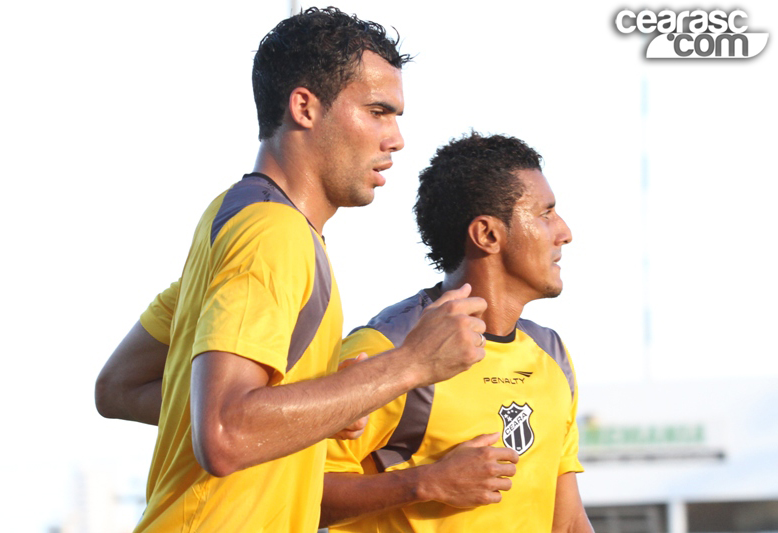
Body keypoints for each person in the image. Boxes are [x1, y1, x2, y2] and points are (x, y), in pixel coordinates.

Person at [95, 8, 489, 532]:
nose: (395, 139)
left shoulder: (230, 217)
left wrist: (323, 403)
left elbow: (120, 385)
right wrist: (408, 365)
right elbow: (224, 433)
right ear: (304, 106)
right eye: (377, 111)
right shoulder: (271, 236)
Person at [321, 133, 594, 532]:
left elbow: (567, 521)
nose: (564, 232)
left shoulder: (552, 355)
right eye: (546, 214)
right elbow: (300, 493)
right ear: (487, 235)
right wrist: (425, 483)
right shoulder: (388, 349)